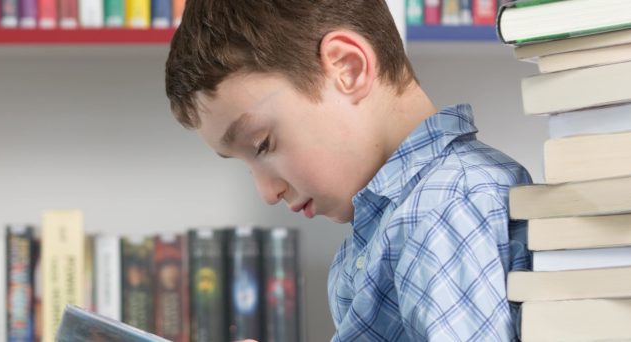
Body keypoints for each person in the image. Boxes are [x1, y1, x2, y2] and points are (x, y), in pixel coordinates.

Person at [162, 0, 532, 340]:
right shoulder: (383, 230)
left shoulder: (446, 206)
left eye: (263, 144)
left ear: (347, 69)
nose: (266, 192)